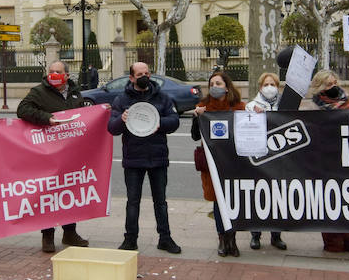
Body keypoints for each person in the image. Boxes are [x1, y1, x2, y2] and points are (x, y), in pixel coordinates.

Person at [17, 59, 91, 253]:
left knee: (70, 191)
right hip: (48, 151)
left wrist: (99, 112)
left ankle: (70, 232)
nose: (53, 75)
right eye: (51, 71)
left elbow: (82, 114)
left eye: (58, 72)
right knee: (49, 193)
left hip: (71, 150)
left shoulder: (75, 92)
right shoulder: (38, 92)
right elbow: (22, 110)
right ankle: (47, 236)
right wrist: (46, 118)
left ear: (66, 75)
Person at [107, 62, 182, 254]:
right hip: (134, 158)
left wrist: (159, 123)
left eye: (147, 72)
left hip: (158, 157)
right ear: (131, 78)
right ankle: (130, 239)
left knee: (161, 202)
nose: (145, 76)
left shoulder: (162, 97)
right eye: (140, 73)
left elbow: (174, 121)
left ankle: (165, 238)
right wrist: (121, 120)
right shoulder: (121, 99)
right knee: (133, 201)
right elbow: (111, 128)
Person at [301, 70, 349, 253]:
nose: (334, 87)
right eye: (329, 85)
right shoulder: (312, 107)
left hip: (346, 159)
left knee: (348, 198)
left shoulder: (347, 101)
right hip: (324, 161)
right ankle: (332, 239)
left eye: (335, 82)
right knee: (329, 200)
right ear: (320, 87)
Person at [191, 70, 247, 257]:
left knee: (233, 200)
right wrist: (196, 117)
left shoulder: (238, 107)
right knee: (217, 201)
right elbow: (195, 136)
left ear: (227, 87)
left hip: (233, 162)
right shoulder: (204, 106)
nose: (215, 87)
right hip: (212, 163)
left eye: (218, 84)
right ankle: (222, 238)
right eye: (212, 84)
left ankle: (232, 238)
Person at [245, 72, 285, 251]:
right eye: (266, 84)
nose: (270, 87)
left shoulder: (284, 106)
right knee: (258, 197)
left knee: (278, 197)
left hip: (280, 158)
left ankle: (276, 235)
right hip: (260, 159)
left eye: (273, 84)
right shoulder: (251, 106)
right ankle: (256, 234)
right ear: (260, 87)